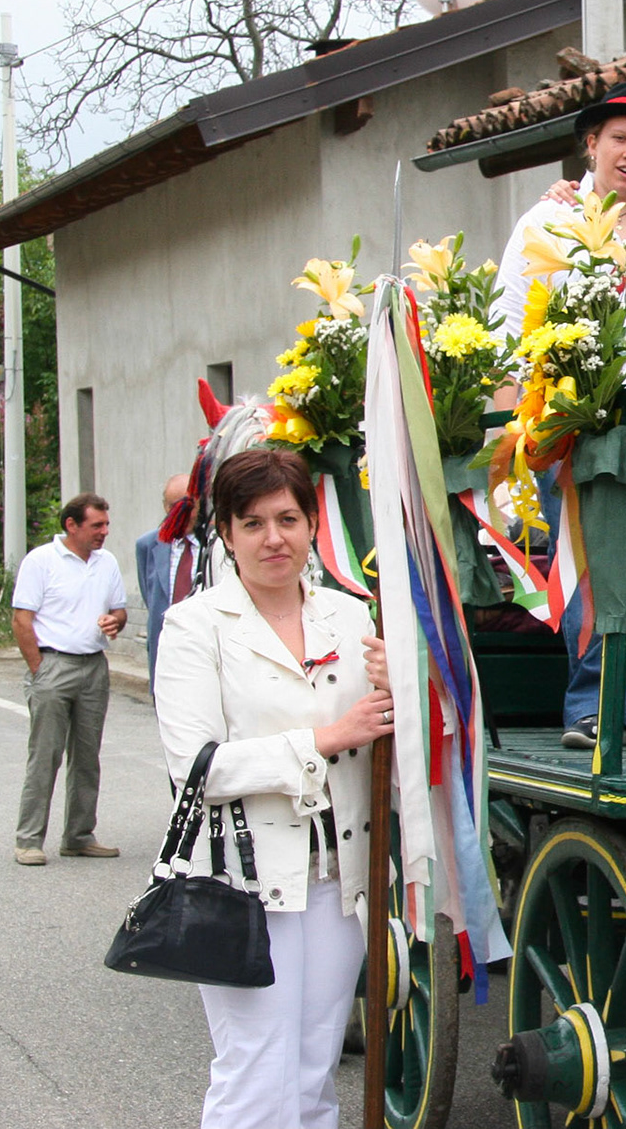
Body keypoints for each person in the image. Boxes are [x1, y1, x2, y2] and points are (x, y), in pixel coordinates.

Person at [153, 448, 394, 1129]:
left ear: (313, 523)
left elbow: (389, 744)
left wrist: (402, 689)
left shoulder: (353, 619)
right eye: (253, 523)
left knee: (314, 1071)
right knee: (257, 1071)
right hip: (243, 882)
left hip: (338, 878)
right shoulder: (195, 626)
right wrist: (326, 738)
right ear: (226, 535)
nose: (273, 538)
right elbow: (197, 769)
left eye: (288, 519)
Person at [493, 82, 626, 749]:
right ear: (592, 144)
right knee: (580, 564)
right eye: (619, 139)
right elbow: (507, 321)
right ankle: (591, 706)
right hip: (565, 418)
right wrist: (514, 428)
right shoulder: (545, 220)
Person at [10, 492, 129, 865]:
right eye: (97, 525)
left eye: (106, 525)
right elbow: (21, 620)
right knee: (45, 756)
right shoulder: (41, 561)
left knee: (87, 758)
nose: (104, 532)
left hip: (94, 666)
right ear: (72, 525)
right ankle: (29, 840)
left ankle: (79, 836)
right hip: (53, 665)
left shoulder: (107, 562)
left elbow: (119, 611)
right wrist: (39, 668)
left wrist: (115, 621)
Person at [135, 472, 194, 690]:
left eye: (187, 506)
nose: (180, 514)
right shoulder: (148, 545)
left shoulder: (217, 543)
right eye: (173, 507)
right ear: (164, 507)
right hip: (167, 654)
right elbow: (151, 597)